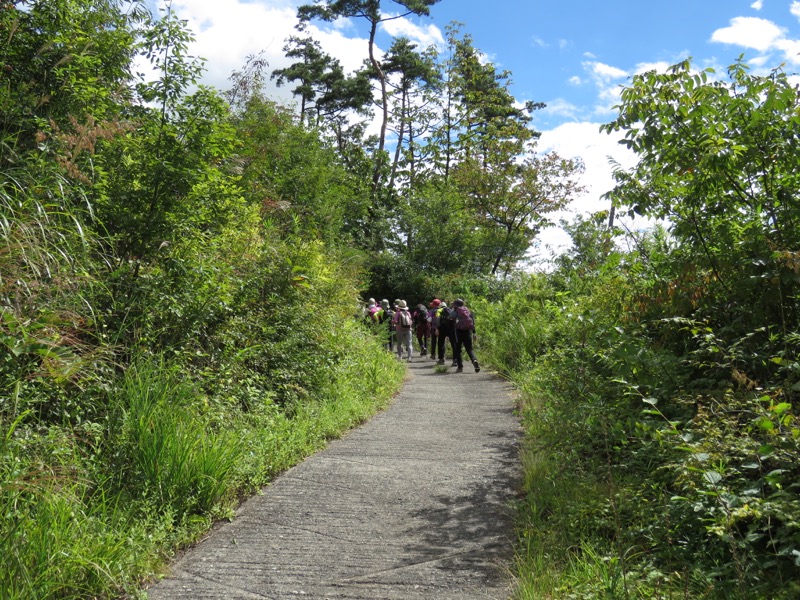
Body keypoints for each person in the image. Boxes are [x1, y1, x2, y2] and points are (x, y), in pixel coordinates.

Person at [452, 298, 480, 373]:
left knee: (458, 350)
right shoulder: (468, 311)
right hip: (468, 332)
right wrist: (474, 333)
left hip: (458, 332)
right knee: (469, 349)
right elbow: (472, 323)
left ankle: (460, 367)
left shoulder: (455, 311)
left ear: (456, 305)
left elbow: (450, 318)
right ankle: (474, 360)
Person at [435, 301, 456, 366]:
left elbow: (438, 320)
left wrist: (437, 328)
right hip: (451, 329)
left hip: (442, 329)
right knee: (454, 344)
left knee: (441, 343)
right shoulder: (450, 310)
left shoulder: (438, 310)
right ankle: (455, 360)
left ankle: (441, 359)